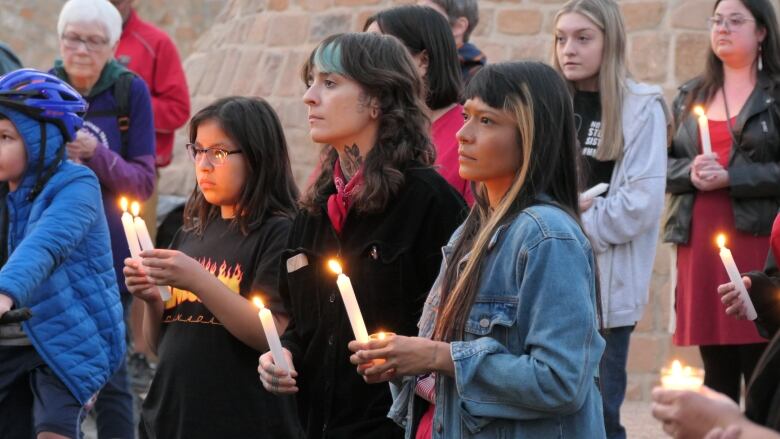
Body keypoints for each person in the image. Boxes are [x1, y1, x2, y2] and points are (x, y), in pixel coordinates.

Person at [348, 61, 606, 438]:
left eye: (487, 121)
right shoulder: (472, 229)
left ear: (533, 136)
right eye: (467, 116)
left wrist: (438, 356)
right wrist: (404, 363)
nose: (463, 135)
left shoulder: (548, 237)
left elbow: (560, 382)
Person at [257, 32, 466, 439]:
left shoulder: (431, 204)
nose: (309, 97)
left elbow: (457, 337)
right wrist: (283, 355)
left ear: (378, 100)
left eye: (330, 83)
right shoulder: (314, 210)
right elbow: (302, 327)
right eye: (311, 82)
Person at [123, 96, 303, 439]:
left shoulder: (279, 232)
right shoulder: (190, 233)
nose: (203, 164)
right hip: (169, 418)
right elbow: (158, 347)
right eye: (198, 150)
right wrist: (151, 299)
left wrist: (197, 279)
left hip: (239, 422)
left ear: (257, 156)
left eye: (218, 152)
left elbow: (271, 334)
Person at [552, 1, 669, 437]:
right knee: (549, 413)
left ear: (611, 41)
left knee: (599, 416)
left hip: (605, 287)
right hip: (547, 278)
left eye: (583, 38)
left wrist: (568, 220)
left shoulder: (642, 108)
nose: (569, 49)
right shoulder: (548, 100)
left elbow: (638, 204)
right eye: (561, 38)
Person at [665, 0, 780, 403]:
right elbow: (659, 167)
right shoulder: (690, 95)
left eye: (735, 20)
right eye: (716, 20)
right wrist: (690, 173)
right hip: (700, 243)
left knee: (763, 362)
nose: (722, 28)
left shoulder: (776, 94)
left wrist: (734, 177)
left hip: (758, 239)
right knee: (716, 369)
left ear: (762, 30)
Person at [0, 69, 125, 439]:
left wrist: (4, 291)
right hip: (10, 341)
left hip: (70, 336)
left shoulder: (77, 185)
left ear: (44, 140)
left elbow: (47, 243)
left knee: (53, 431)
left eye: (6, 137)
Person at [53, 0, 157, 436]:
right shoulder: (43, 88)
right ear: (60, 40)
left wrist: (97, 156)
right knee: (52, 366)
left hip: (110, 257)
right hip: (55, 254)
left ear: (114, 45)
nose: (81, 48)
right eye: (72, 37)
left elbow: (143, 181)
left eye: (94, 40)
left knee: (111, 371)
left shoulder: (128, 92)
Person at [109, 0, 191, 398]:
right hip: (90, 173)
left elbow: (178, 109)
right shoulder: (84, 40)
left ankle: (140, 354)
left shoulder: (155, 42)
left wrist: (128, 99)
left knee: (140, 257)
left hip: (137, 170)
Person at [365, 5, 472, 204]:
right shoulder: (367, 130)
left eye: (378, 49)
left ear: (422, 61)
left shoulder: (469, 133)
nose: (362, 62)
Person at [416, 0, 485, 84]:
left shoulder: (476, 80)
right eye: (414, 14)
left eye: (426, 15)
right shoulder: (415, 61)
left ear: (458, 26)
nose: (414, 22)